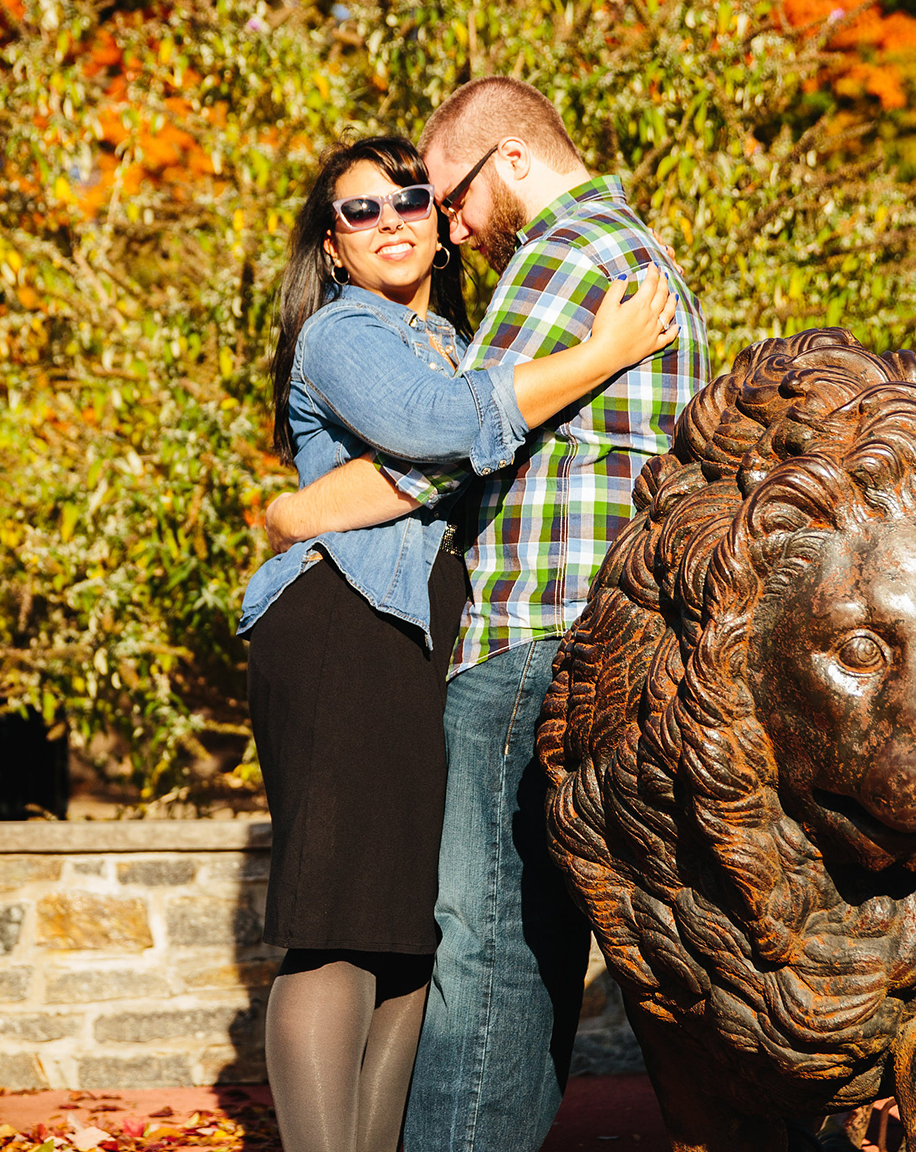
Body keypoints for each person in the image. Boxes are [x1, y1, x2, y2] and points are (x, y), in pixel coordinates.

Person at [264, 79, 712, 1152]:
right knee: (369, 926)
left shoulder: (551, 268)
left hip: (507, 633)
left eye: (428, 195)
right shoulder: (346, 332)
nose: (430, 220)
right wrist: (300, 514)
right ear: (327, 244)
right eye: (360, 209)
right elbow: (440, 433)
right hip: (358, 628)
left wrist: (294, 505)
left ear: (505, 165)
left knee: (464, 941)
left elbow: (439, 450)